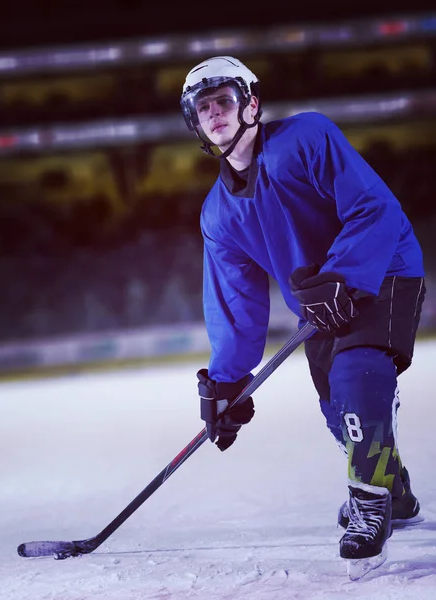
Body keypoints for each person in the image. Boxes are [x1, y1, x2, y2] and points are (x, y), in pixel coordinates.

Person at [180, 56, 426, 578]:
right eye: (204, 109)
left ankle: (370, 504)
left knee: (356, 372)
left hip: (382, 267)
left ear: (251, 103)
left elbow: (374, 208)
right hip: (318, 306)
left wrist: (343, 274)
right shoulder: (217, 214)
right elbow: (235, 303)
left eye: (223, 100)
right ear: (196, 126)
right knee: (339, 410)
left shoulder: (306, 137)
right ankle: (394, 489)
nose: (216, 114)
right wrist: (226, 382)